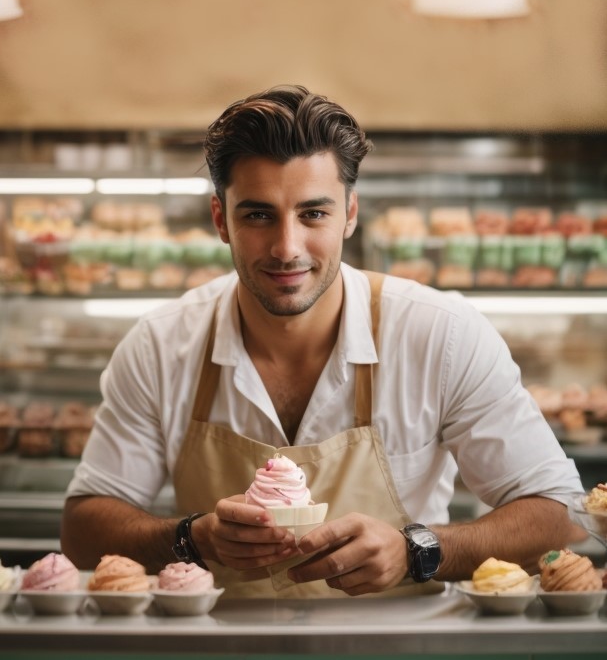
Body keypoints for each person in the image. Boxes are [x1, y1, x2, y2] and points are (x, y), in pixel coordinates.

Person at [61, 84, 584, 599]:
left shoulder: (441, 334)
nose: (287, 248)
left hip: (399, 650)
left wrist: (418, 550)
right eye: (258, 215)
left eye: (313, 213)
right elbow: (84, 530)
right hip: (220, 648)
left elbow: (561, 518)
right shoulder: (161, 345)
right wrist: (191, 539)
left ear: (350, 214)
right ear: (221, 220)